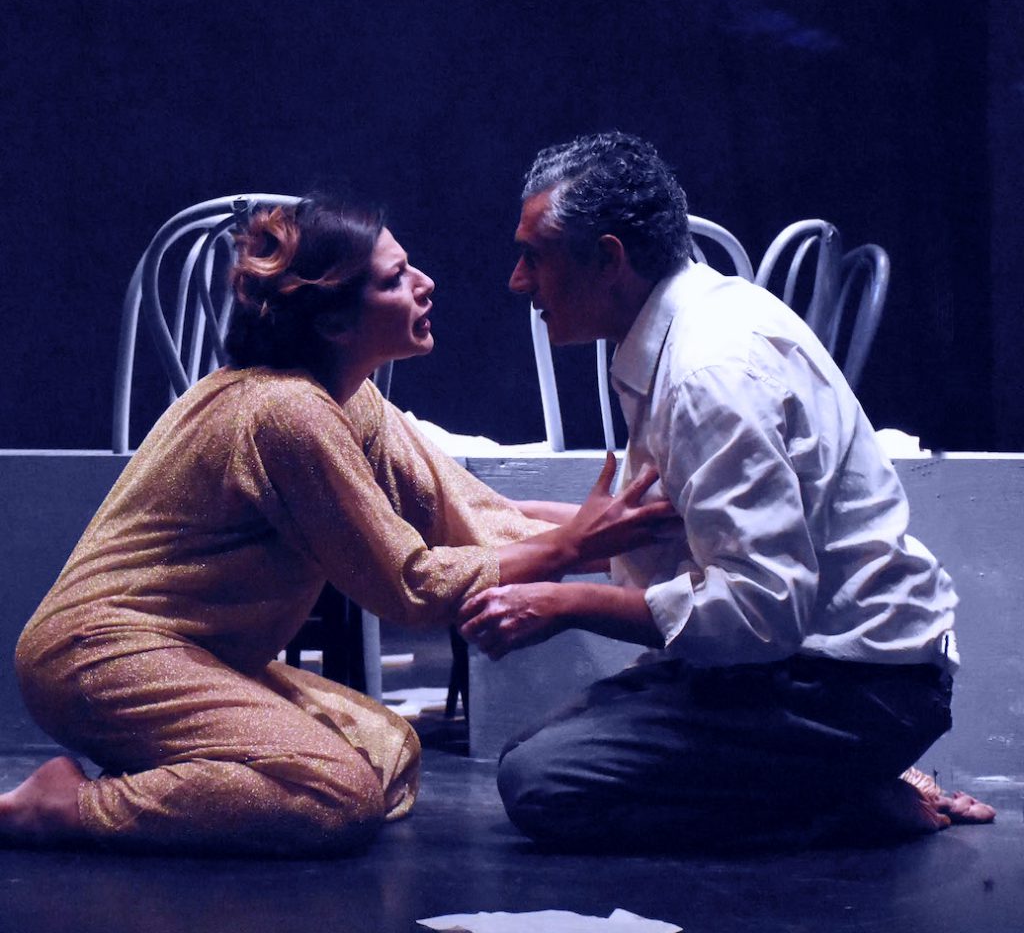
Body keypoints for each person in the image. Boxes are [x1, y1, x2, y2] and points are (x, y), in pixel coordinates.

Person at [1, 194, 674, 856]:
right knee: (337, 794)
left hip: (200, 652)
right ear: (334, 323)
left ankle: (189, 773)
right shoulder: (285, 413)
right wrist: (575, 545)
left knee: (390, 751)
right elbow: (408, 586)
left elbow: (469, 516)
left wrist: (633, 533)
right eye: (394, 279)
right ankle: (64, 807)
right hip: (99, 655)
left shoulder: (352, 400)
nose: (424, 283)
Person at [458, 131, 996, 849]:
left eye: (535, 257)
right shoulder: (684, 326)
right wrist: (503, 521)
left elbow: (760, 612)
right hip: (799, 667)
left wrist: (568, 603)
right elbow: (673, 522)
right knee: (535, 751)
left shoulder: (708, 371)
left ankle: (852, 803)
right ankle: (835, 781)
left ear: (609, 259)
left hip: (853, 685)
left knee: (543, 783)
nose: (518, 282)